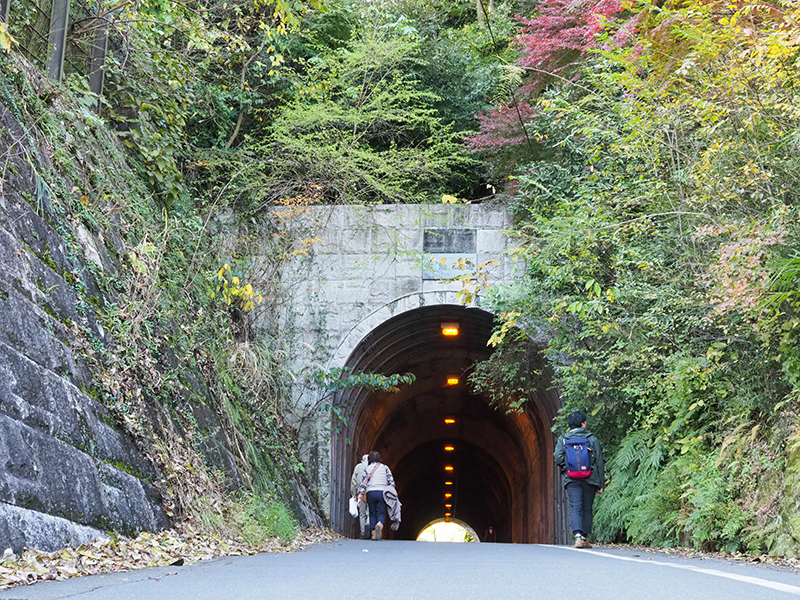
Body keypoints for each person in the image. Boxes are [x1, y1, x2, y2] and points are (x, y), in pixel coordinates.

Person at [554, 410, 604, 548]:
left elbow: (557, 457)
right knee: (587, 508)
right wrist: (600, 483)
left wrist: (568, 467)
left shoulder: (563, 439)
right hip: (590, 477)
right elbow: (599, 461)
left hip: (572, 478)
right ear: (583, 423)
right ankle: (584, 538)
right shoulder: (591, 439)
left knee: (575, 507)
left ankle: (577, 538)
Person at [357, 450, 396, 540]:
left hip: (370, 492)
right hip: (382, 492)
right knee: (381, 512)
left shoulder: (368, 468)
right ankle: (379, 525)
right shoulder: (385, 468)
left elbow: (363, 483)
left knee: (372, 513)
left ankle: (374, 535)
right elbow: (391, 482)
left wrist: (360, 496)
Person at [350, 454, 370, 539]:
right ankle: (368, 525)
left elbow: (353, 481)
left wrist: (354, 494)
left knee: (362, 514)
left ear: (362, 460)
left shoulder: (358, 467)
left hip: (360, 493)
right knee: (369, 512)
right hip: (371, 492)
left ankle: (363, 532)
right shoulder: (372, 466)